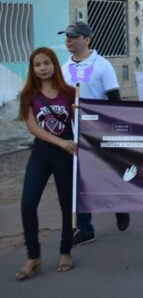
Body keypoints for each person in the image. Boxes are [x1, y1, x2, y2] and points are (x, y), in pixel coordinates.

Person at [59, 21, 129, 245]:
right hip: (73, 133)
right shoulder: (63, 66)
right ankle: (85, 227)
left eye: (73, 36)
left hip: (98, 131)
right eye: (67, 36)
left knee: (106, 175)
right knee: (79, 180)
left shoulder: (103, 65)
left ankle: (120, 205)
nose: (69, 39)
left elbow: (114, 99)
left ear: (87, 39)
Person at [16, 47, 77, 280]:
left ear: (54, 65)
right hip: (42, 153)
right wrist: (60, 143)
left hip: (66, 155)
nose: (42, 68)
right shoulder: (29, 95)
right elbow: (32, 128)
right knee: (28, 203)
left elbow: (81, 121)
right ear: (32, 69)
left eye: (46, 63)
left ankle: (65, 251)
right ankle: (33, 256)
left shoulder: (70, 92)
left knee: (66, 205)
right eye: (37, 64)